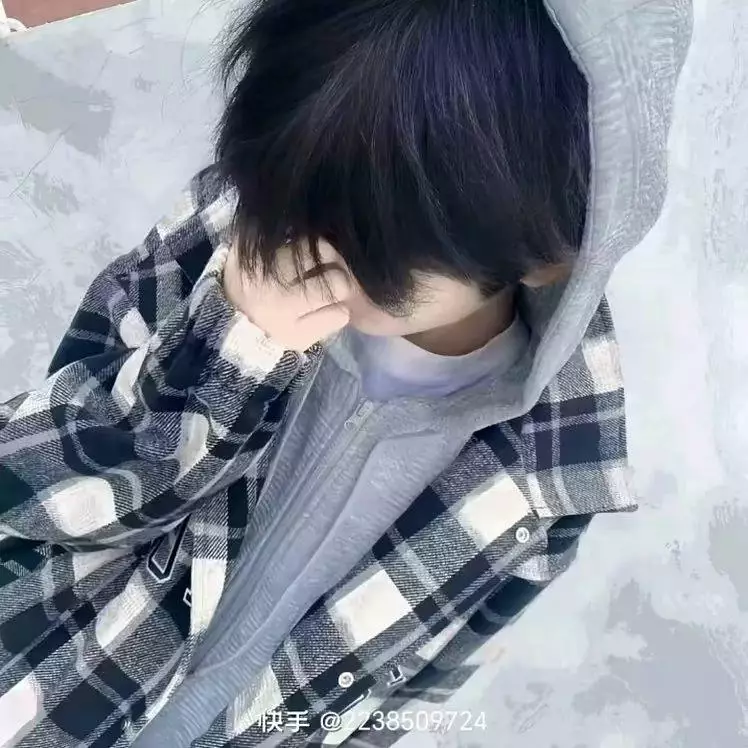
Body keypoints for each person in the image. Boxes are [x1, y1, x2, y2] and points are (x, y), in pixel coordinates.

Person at [0, 0, 689, 746]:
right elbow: (27, 485)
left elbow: (407, 686)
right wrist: (225, 353)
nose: (303, 250)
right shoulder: (219, 241)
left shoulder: (550, 478)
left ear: (551, 253)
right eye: (284, 195)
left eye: (368, 251)